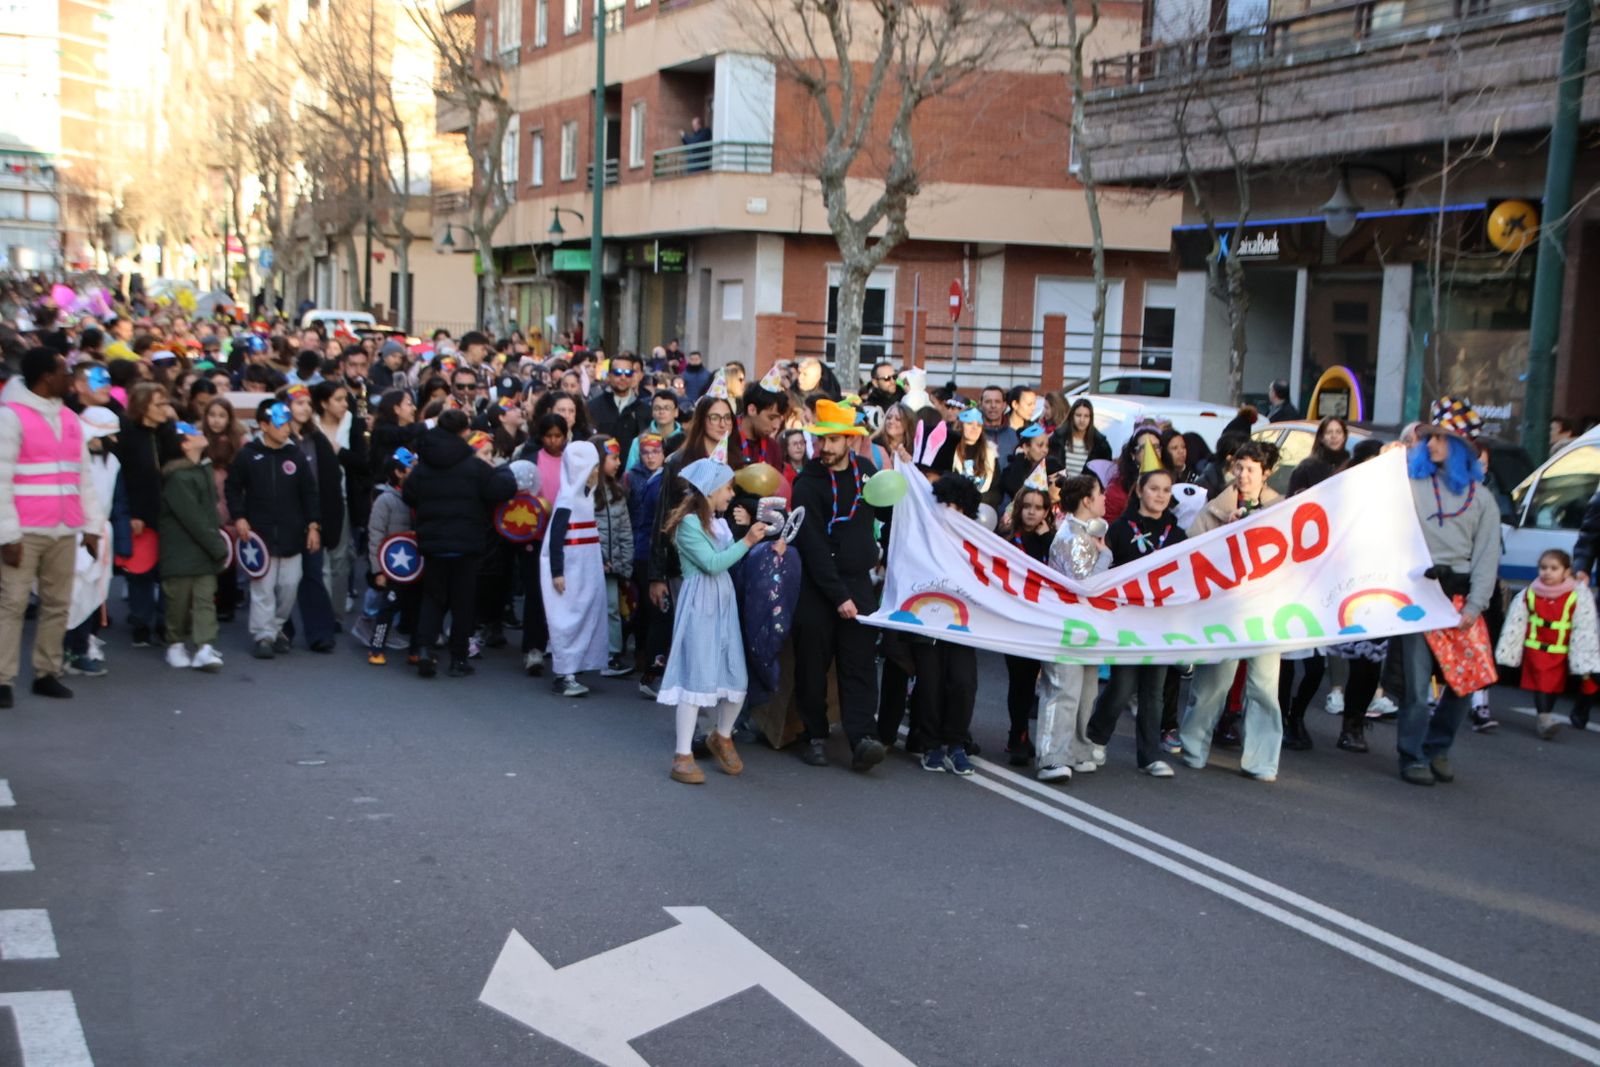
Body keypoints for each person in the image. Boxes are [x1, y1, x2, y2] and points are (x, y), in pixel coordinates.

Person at [1393, 398, 1501, 786]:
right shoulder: (1409, 484)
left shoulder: (1482, 500)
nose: (1431, 443)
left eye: (1439, 438)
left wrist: (1475, 605)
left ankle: (1438, 746)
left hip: (1460, 598)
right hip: (1420, 595)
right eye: (1430, 437)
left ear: (1457, 448)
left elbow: (1488, 557)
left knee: (1466, 683)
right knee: (1417, 687)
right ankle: (1412, 754)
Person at [0, 348, 105, 707]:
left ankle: (47, 672)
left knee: (57, 603)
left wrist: (91, 526)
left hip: (64, 528)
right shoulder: (10, 417)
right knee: (12, 604)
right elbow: (1, 480)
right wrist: (7, 535)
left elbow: (84, 478)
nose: (70, 379)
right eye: (64, 372)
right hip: (24, 531)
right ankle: (2, 679)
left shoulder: (70, 419)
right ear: (46, 377)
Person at [1177, 441, 1286, 782]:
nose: (1242, 475)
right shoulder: (1215, 508)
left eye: (1251, 469)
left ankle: (1261, 760)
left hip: (1265, 611)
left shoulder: (1283, 509)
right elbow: (1194, 552)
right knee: (1213, 683)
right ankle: (1193, 747)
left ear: (1266, 474)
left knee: (1264, 687)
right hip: (1224, 609)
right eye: (1239, 468)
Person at [657, 458, 770, 784]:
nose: (731, 494)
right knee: (697, 678)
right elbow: (711, 564)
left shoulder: (717, 522)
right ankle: (682, 755)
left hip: (722, 603)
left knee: (735, 674)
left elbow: (725, 559)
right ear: (711, 490)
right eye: (727, 487)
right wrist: (747, 541)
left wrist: (752, 539)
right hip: (701, 605)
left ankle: (721, 735)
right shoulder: (689, 524)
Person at [790, 398, 886, 770]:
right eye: (820, 441)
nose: (824, 448)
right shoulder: (806, 484)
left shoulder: (865, 472)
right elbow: (811, 544)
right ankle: (814, 733)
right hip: (819, 588)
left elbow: (887, 510)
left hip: (859, 584)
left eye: (832, 441)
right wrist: (838, 596)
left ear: (850, 440)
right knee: (813, 664)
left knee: (860, 663)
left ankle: (863, 737)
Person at [1086, 468, 1186, 776]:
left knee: (1154, 691)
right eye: (1154, 488)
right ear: (1140, 490)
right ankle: (1096, 738)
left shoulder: (1178, 535)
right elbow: (1107, 569)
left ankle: (1150, 755)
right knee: (1122, 685)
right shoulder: (1119, 529)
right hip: (1126, 619)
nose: (1160, 495)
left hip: (1159, 622)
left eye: (1166, 490)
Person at [403, 409, 517, 678]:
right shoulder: (474, 465)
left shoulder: (425, 464)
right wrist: (505, 474)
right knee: (463, 602)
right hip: (467, 543)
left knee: (432, 598)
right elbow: (500, 490)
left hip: (433, 542)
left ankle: (424, 649)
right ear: (464, 432)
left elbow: (409, 495)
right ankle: (458, 659)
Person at [227, 400, 321, 660]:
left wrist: (313, 525)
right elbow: (233, 487)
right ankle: (263, 636)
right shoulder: (248, 455)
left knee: (289, 587)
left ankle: (277, 627)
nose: (285, 428)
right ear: (264, 426)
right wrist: (239, 517)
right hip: (259, 536)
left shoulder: (296, 456)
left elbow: (310, 494)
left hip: (292, 535)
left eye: (287, 423)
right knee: (262, 589)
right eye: (279, 424)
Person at [1034, 474, 1111, 782]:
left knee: (1086, 692)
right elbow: (1085, 584)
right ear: (1087, 501)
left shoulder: (1085, 532)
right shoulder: (1070, 534)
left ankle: (1078, 750)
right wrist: (1105, 556)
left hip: (1087, 626)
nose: (1105, 499)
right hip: (1065, 626)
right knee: (1063, 690)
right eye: (1100, 494)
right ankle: (1052, 756)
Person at [913, 475, 983, 777]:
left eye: (956, 506)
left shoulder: (979, 542)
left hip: (962, 623)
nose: (949, 510)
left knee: (963, 682)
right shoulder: (923, 536)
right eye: (944, 504)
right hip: (927, 618)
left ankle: (956, 743)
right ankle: (931, 745)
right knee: (929, 682)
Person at [1495, 549, 1600, 739]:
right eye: (1543, 568)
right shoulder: (1530, 593)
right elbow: (1515, 622)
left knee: (1554, 686)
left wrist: (1583, 654)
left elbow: (1584, 626)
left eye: (1554, 568)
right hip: (1537, 648)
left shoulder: (1576, 595)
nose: (1547, 572)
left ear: (1567, 572)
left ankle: (1547, 715)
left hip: (1562, 650)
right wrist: (1509, 649)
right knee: (1543, 683)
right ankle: (1544, 719)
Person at [158, 421, 228, 672]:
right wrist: (218, 545)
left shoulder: (202, 469)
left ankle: (204, 646)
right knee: (178, 601)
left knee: (205, 599)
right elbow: (193, 518)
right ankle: (175, 643)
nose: (201, 434)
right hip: (181, 551)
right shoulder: (177, 477)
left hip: (204, 550)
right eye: (194, 432)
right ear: (184, 443)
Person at [542, 439, 607, 697]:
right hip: (570, 571)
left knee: (583, 615)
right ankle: (564, 673)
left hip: (586, 570)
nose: (596, 472)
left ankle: (576, 665)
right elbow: (556, 538)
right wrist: (557, 571)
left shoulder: (585, 497)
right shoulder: (567, 500)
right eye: (592, 467)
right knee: (566, 619)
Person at [119, 382, 179, 647]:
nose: (165, 408)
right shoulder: (128, 436)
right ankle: (140, 623)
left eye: (166, 402)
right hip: (141, 514)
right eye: (159, 404)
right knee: (141, 571)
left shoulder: (170, 433)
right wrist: (131, 514)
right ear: (143, 407)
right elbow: (125, 479)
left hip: (170, 511)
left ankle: (165, 623)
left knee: (169, 570)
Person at [1001, 483, 1053, 766]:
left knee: (1035, 679)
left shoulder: (1052, 540)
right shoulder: (1006, 539)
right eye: (1027, 506)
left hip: (1041, 619)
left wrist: (1047, 539)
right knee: (1019, 680)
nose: (1032, 512)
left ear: (1046, 512)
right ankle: (1017, 734)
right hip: (1014, 617)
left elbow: (1057, 569)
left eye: (1038, 507)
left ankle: (1032, 736)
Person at [365, 450, 421, 666]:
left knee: (417, 607)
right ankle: (376, 646)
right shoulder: (385, 500)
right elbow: (376, 534)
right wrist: (378, 569)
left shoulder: (418, 497)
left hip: (417, 565)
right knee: (388, 607)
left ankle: (416, 649)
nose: (416, 471)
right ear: (398, 472)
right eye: (411, 468)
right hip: (392, 566)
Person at [591, 435, 634, 678]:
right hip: (592, 564)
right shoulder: (587, 493)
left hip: (613, 565)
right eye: (613, 458)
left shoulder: (618, 492)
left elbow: (625, 530)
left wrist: (624, 563)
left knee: (611, 607)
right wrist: (597, 558)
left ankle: (612, 654)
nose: (618, 462)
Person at [626, 433, 667, 675]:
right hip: (639, 546)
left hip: (655, 546)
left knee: (655, 609)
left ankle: (652, 659)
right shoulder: (631, 477)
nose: (651, 457)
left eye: (655, 451)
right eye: (646, 452)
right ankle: (642, 653)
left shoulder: (667, 477)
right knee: (640, 606)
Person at [934, 404, 1000, 509]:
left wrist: (977, 502)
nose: (975, 428)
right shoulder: (948, 450)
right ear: (961, 424)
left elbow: (996, 490)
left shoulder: (990, 454)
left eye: (978, 425)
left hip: (981, 509)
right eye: (969, 423)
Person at [589, 352, 646, 459]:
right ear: (609, 375)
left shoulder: (644, 410)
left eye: (628, 373)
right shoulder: (593, 407)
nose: (623, 377)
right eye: (617, 372)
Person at [1050, 398, 1112, 476]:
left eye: (1086, 416)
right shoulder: (1058, 438)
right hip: (1059, 486)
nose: (1082, 420)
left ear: (1091, 418)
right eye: (1078, 415)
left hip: (1086, 487)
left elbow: (1104, 474)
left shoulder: (1100, 445)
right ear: (1072, 416)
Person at [625, 389, 682, 469]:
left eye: (667, 408)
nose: (661, 412)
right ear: (652, 412)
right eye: (657, 408)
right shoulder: (639, 441)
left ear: (676, 412)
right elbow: (629, 474)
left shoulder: (687, 440)